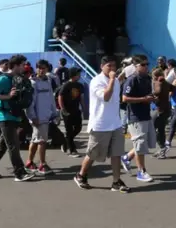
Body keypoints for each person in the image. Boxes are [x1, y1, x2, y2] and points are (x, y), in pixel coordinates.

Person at [74, 56, 129, 192]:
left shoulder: (116, 81)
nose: (112, 69)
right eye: (109, 66)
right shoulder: (96, 81)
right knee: (93, 154)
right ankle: (81, 175)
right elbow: (106, 96)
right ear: (102, 66)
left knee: (116, 153)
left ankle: (116, 181)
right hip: (100, 124)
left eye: (114, 66)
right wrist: (111, 79)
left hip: (115, 123)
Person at [0, 55, 34, 182]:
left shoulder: (17, 79)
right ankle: (19, 172)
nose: (24, 67)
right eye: (22, 65)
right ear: (15, 65)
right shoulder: (4, 78)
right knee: (13, 145)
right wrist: (8, 96)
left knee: (4, 144)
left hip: (14, 115)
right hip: (4, 116)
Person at [121, 56, 156, 182]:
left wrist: (151, 98)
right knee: (140, 144)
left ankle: (126, 158)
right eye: (143, 64)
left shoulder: (147, 78)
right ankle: (141, 171)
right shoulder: (131, 80)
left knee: (145, 143)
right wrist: (143, 99)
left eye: (147, 64)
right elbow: (125, 99)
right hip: (135, 117)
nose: (146, 66)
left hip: (146, 115)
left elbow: (147, 94)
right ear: (136, 66)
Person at [24, 60, 59, 175]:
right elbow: (29, 103)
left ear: (47, 69)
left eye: (44, 68)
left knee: (35, 140)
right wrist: (33, 117)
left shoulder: (48, 81)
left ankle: (29, 162)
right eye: (39, 68)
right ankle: (42, 164)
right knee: (42, 141)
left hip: (46, 116)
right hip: (38, 118)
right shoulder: (32, 83)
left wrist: (54, 113)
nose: (41, 70)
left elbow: (51, 99)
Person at [57, 69, 85, 157]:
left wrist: (84, 107)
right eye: (78, 74)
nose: (79, 75)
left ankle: (66, 141)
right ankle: (72, 150)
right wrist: (62, 109)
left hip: (76, 110)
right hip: (67, 110)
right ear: (73, 75)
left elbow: (81, 98)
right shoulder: (66, 85)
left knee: (78, 128)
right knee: (69, 130)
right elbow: (60, 97)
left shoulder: (80, 85)